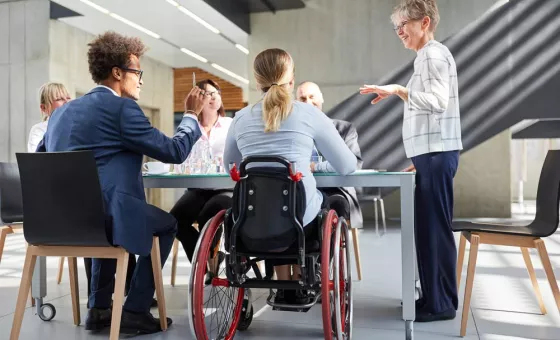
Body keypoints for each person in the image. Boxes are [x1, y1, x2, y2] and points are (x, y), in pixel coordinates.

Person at [38, 31, 208, 334]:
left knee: (104, 217)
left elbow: (43, 161)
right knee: (167, 224)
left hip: (62, 222)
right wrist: (192, 116)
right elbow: (174, 151)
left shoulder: (59, 116)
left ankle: (99, 309)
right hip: (106, 217)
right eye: (137, 72)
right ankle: (135, 308)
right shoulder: (122, 109)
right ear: (118, 73)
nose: (141, 80)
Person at [223, 48, 357, 304]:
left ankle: (285, 282)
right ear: (291, 80)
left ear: (257, 80)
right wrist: (312, 165)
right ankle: (310, 274)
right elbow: (347, 165)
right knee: (333, 204)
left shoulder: (239, 118)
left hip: (252, 222)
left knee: (271, 203)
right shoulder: (309, 114)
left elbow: (231, 166)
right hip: (300, 223)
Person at [360, 0, 462, 322]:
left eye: (404, 24)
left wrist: (398, 91)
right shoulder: (428, 55)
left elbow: (436, 102)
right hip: (431, 155)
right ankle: (432, 298)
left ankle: (440, 305)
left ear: (425, 22)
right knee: (428, 228)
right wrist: (421, 158)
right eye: (397, 26)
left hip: (436, 154)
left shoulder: (431, 54)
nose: (399, 31)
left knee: (434, 230)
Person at [170, 79, 233, 266]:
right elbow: (181, 157)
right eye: (208, 93)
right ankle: (203, 261)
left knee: (208, 214)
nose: (214, 96)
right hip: (197, 189)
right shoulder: (189, 128)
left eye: (217, 93)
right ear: (198, 99)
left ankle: (208, 261)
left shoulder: (230, 125)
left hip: (225, 187)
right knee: (174, 221)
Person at [296, 81, 364, 228]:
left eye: (312, 96)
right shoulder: (294, 133)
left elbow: (355, 164)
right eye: (302, 99)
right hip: (302, 190)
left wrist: (316, 167)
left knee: (334, 205)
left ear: (321, 98)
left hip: (336, 190)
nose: (308, 102)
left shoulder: (344, 129)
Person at [28, 83, 71, 152]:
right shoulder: (38, 130)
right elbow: (38, 159)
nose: (67, 102)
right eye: (59, 99)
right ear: (44, 108)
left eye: (68, 98)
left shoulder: (77, 125)